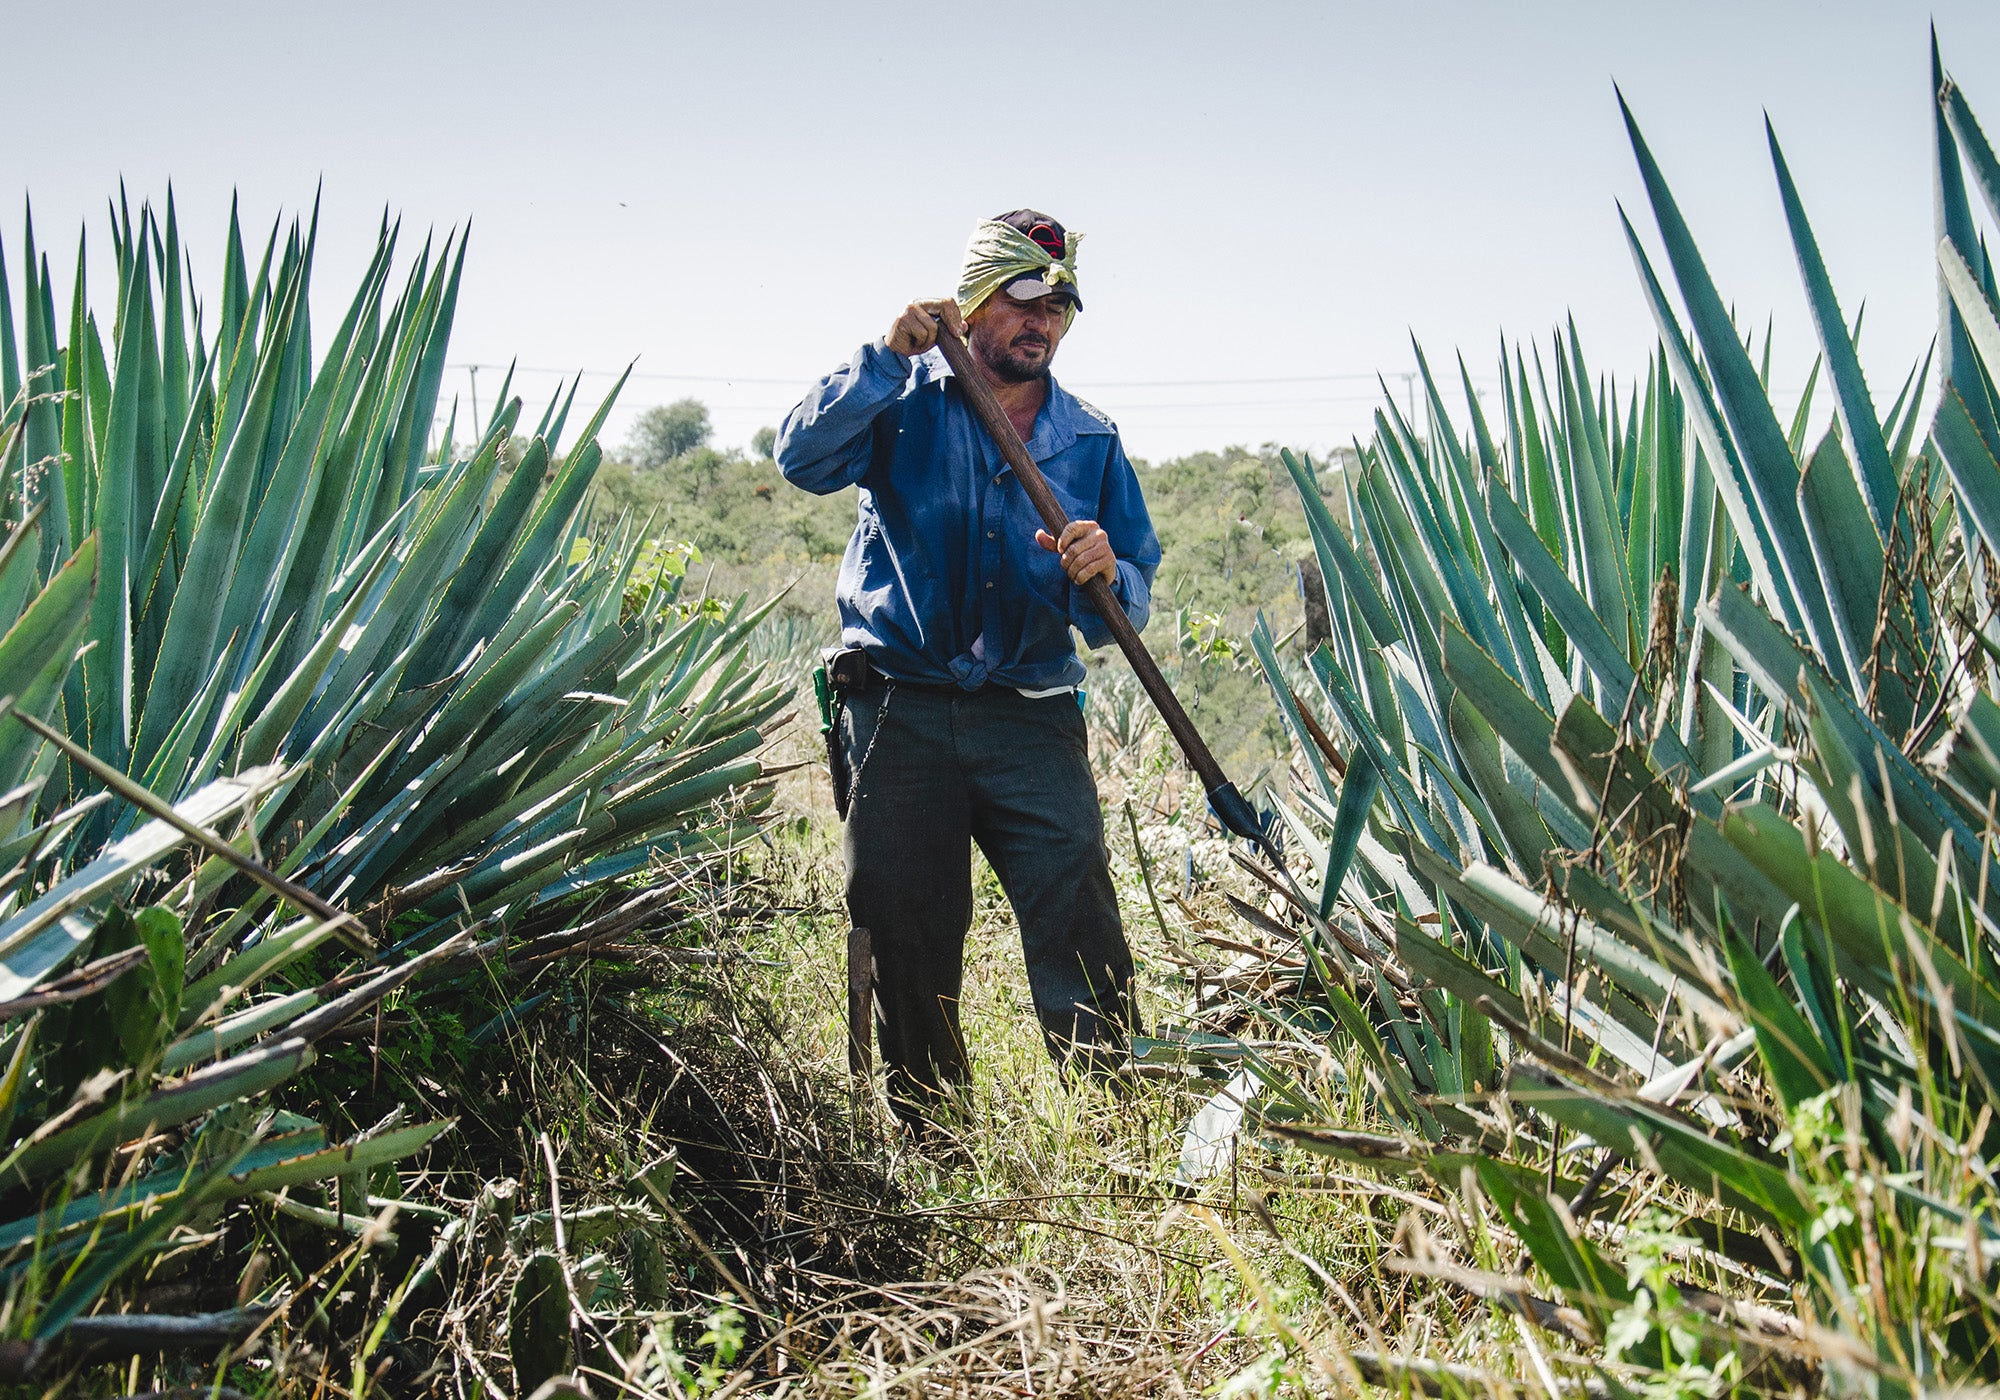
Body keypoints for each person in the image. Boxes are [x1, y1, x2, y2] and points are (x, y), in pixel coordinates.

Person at [776, 209, 1161, 1126]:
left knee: (1077, 910)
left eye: (1061, 305)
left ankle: (1118, 1123)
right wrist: (881, 356)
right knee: (906, 930)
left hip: (1031, 715)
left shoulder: (1092, 441)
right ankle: (931, 1138)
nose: (1045, 321)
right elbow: (799, 459)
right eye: (1025, 299)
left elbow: (1129, 605)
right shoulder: (900, 405)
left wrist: (1107, 574)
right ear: (977, 302)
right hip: (899, 710)